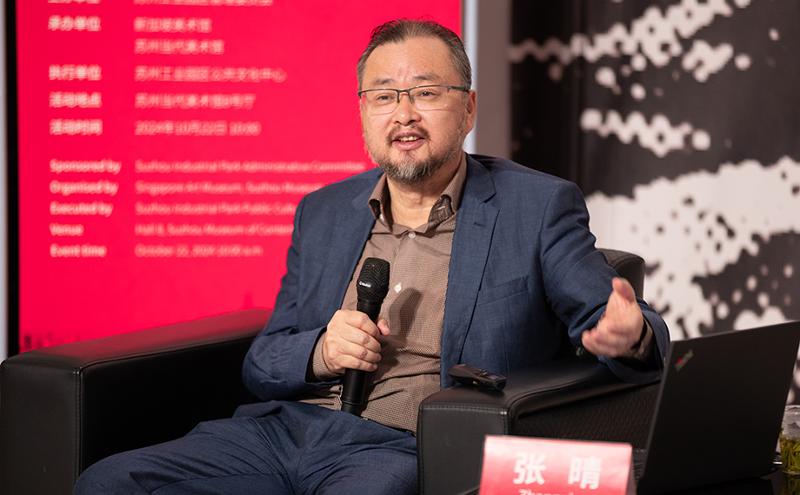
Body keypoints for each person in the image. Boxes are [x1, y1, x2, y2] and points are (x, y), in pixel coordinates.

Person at [75, 19, 669, 495]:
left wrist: (630, 334)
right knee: (109, 482)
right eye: (383, 97)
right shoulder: (324, 211)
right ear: (364, 113)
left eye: (425, 94)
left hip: (404, 445)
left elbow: (620, 321)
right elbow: (264, 360)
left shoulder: (534, 206)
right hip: (286, 433)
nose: (403, 113)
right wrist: (320, 351)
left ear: (468, 109)